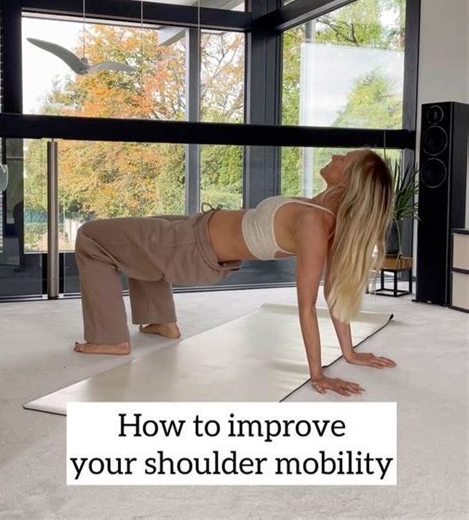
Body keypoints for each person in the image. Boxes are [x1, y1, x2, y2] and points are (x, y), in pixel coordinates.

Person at [73, 147, 396, 397]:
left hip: (191, 247)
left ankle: (109, 339)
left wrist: (317, 373)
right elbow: (335, 295)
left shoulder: (315, 223)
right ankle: (160, 321)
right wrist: (350, 353)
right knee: (135, 239)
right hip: (193, 230)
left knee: (91, 236)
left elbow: (310, 303)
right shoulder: (319, 208)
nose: (335, 156)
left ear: (348, 178)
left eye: (345, 158)